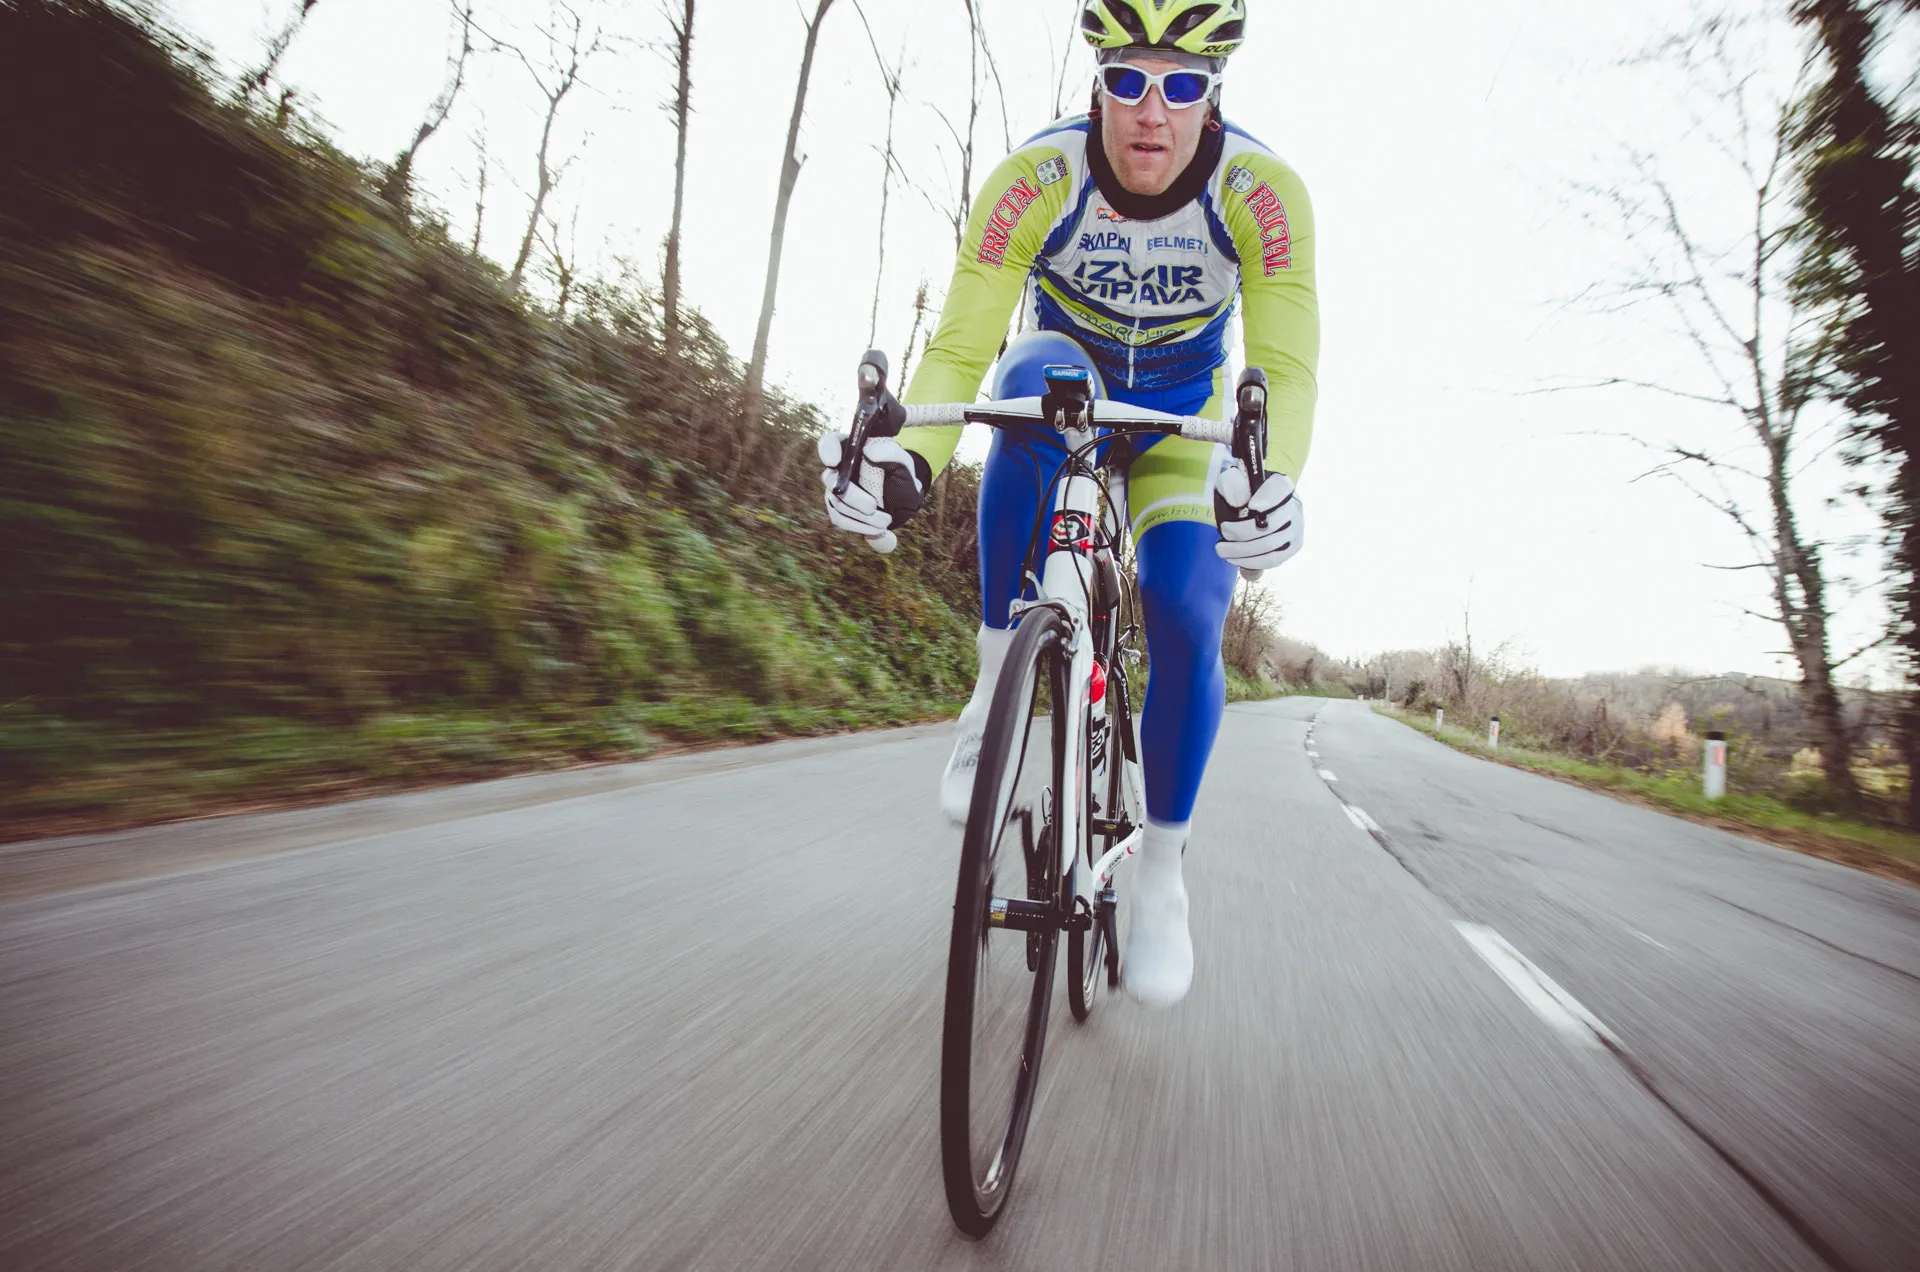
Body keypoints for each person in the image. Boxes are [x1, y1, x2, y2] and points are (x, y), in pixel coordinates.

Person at [818, 0, 1318, 1006]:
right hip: (1065, 387)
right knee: (1035, 378)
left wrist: (1269, 481)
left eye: (1182, 85)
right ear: (1095, 79)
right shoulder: (1037, 178)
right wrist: (908, 460)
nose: (1151, 110)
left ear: (1214, 94)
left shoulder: (1263, 193)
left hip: (1182, 415)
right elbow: (961, 348)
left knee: (1183, 612)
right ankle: (995, 676)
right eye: (1128, 78)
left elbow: (1287, 367)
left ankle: (1165, 871)